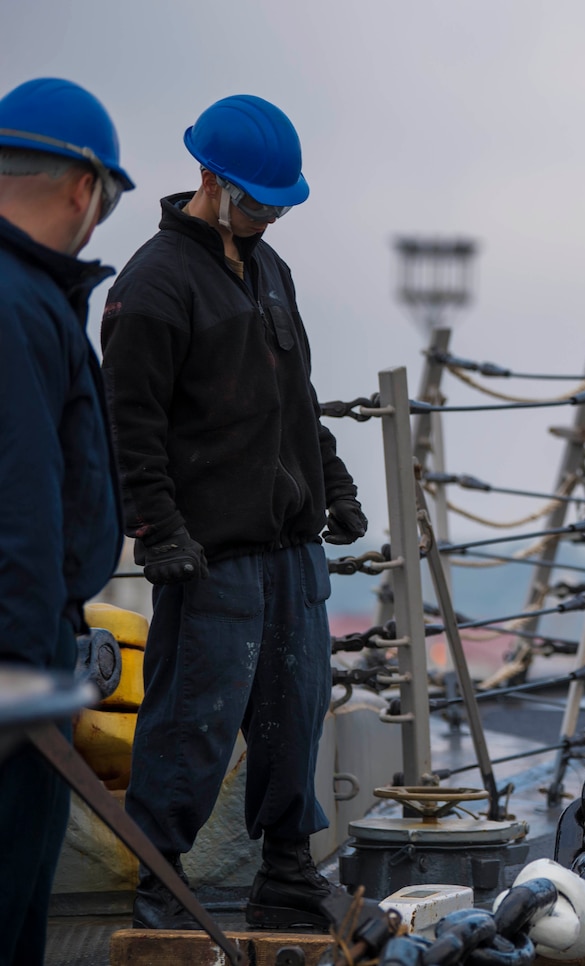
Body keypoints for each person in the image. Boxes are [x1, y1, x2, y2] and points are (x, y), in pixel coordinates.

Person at [101, 94, 368, 932]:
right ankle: (160, 886)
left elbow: (298, 396)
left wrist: (336, 483)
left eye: (279, 207)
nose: (266, 219)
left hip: (292, 548)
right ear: (209, 181)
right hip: (210, 555)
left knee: (295, 712)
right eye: (255, 202)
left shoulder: (270, 270)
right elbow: (129, 424)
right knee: (192, 724)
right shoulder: (152, 284)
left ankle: (287, 874)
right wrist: (159, 528)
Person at [0, 77, 132, 963]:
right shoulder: (17, 304)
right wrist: (26, 678)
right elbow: (19, 502)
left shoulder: (26, 296)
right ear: (86, 187)